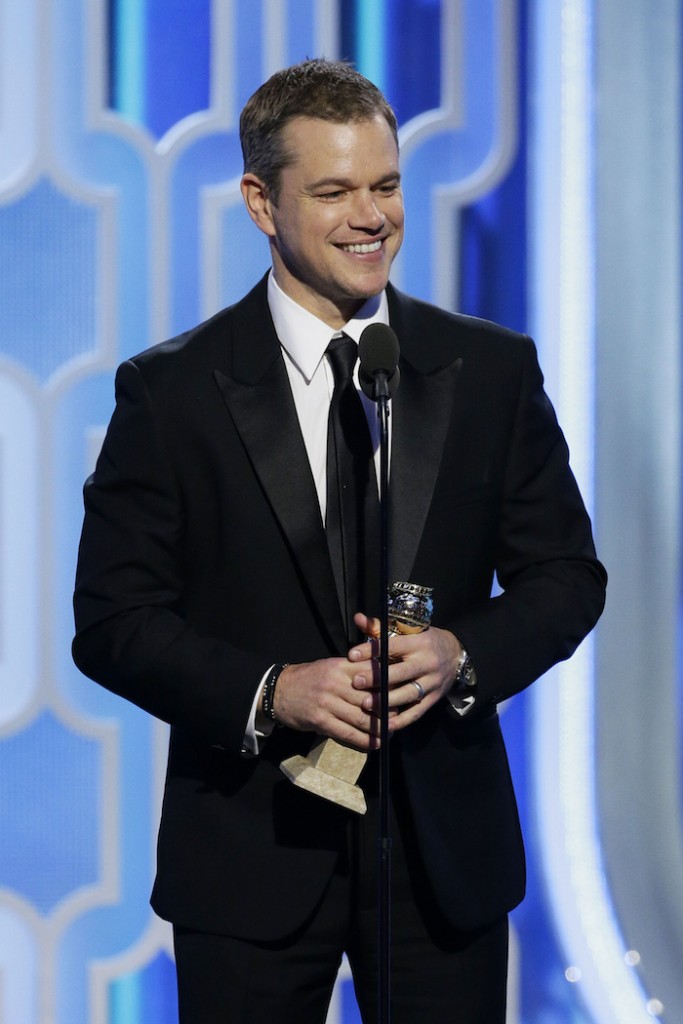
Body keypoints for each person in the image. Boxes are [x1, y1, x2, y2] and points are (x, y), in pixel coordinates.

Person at [72, 58, 606, 1024]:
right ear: (259, 202)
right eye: (333, 191)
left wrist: (461, 655)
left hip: (443, 852)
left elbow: (566, 577)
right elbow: (113, 620)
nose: (371, 217)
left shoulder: (486, 370)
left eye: (386, 185)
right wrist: (275, 690)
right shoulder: (172, 393)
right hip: (251, 850)